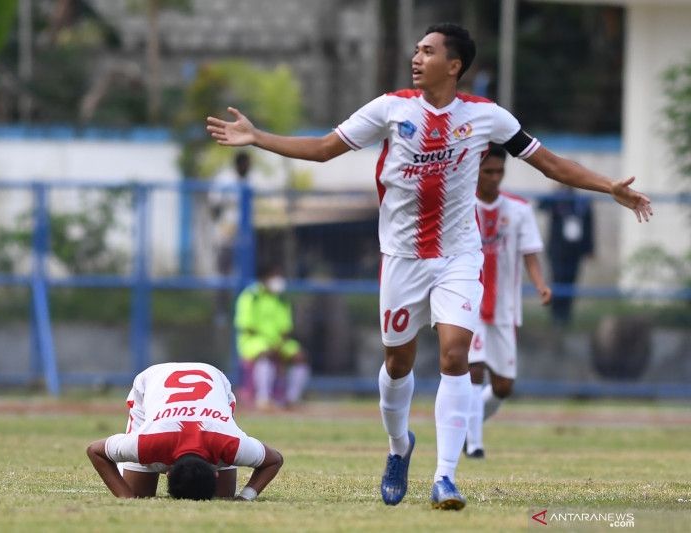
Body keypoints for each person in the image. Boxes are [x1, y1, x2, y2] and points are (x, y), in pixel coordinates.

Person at [206, 22, 651, 510]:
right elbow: (323, 149)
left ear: (454, 64)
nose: (416, 58)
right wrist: (256, 137)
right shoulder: (390, 109)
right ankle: (399, 447)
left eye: (427, 51)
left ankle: (445, 478)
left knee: (455, 356)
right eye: (416, 50)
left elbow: (550, 164)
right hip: (401, 261)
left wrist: (609, 186)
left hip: (458, 256)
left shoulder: (487, 117)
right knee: (397, 365)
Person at [86, 361, 283, 500]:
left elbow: (275, 460)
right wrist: (128, 498)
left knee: (224, 497)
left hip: (214, 383)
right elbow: (94, 450)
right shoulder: (147, 443)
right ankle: (127, 465)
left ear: (168, 474)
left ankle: (130, 466)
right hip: (152, 381)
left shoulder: (230, 443)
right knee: (139, 494)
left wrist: (245, 498)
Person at [465, 145, 552, 459]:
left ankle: (465, 424)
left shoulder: (518, 209)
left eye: (499, 171)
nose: (494, 177)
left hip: (504, 308)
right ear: (475, 170)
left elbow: (530, 253)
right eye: (488, 171)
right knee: (472, 371)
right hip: (468, 303)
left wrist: (540, 285)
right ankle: (473, 444)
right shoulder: (460, 206)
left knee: (502, 387)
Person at [234, 263, 309, 410]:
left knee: (300, 357)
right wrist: (270, 345)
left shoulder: (281, 300)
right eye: (274, 276)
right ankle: (264, 398)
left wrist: (279, 345)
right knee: (266, 354)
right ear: (264, 279)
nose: (278, 280)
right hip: (253, 342)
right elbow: (247, 327)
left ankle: (291, 399)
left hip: (278, 342)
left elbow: (285, 329)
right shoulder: (251, 296)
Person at [538, 185, 595, 326]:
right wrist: (556, 194)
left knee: (571, 281)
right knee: (557, 279)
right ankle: (556, 316)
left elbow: (590, 226)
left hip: (575, 250)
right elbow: (541, 205)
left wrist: (590, 249)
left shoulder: (582, 202)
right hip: (557, 249)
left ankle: (566, 315)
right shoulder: (557, 199)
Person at [209, 151, 253, 324]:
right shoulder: (225, 180)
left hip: (243, 236)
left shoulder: (248, 180)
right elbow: (213, 206)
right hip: (225, 235)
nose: (249, 168)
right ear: (240, 164)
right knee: (223, 274)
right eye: (247, 164)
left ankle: (241, 313)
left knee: (243, 275)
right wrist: (221, 225)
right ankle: (220, 313)